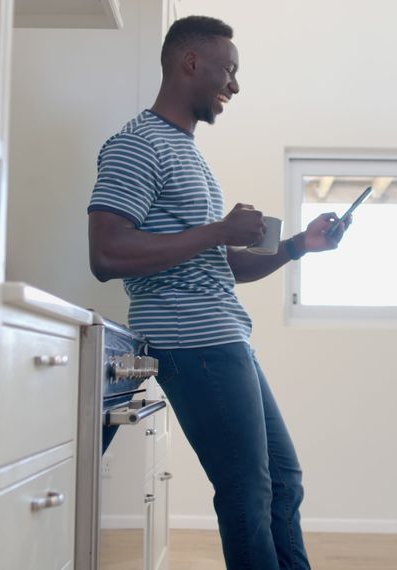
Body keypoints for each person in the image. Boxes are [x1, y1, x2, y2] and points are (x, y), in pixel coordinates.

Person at [86, 15, 348, 570]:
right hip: (191, 345)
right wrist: (217, 230)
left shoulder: (190, 153)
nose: (234, 86)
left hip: (226, 339)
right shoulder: (136, 146)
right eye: (228, 71)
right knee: (247, 491)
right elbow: (106, 255)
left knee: (282, 480)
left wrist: (299, 245)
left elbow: (221, 266)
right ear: (190, 63)